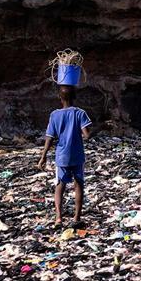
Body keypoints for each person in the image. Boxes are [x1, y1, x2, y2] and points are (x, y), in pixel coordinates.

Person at [38, 85, 92, 227]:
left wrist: (43, 156)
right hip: (77, 156)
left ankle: (58, 218)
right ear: (75, 97)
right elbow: (87, 135)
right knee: (78, 185)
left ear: (59, 98)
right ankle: (76, 218)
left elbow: (49, 138)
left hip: (62, 156)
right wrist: (102, 127)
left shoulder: (54, 115)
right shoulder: (80, 113)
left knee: (60, 186)